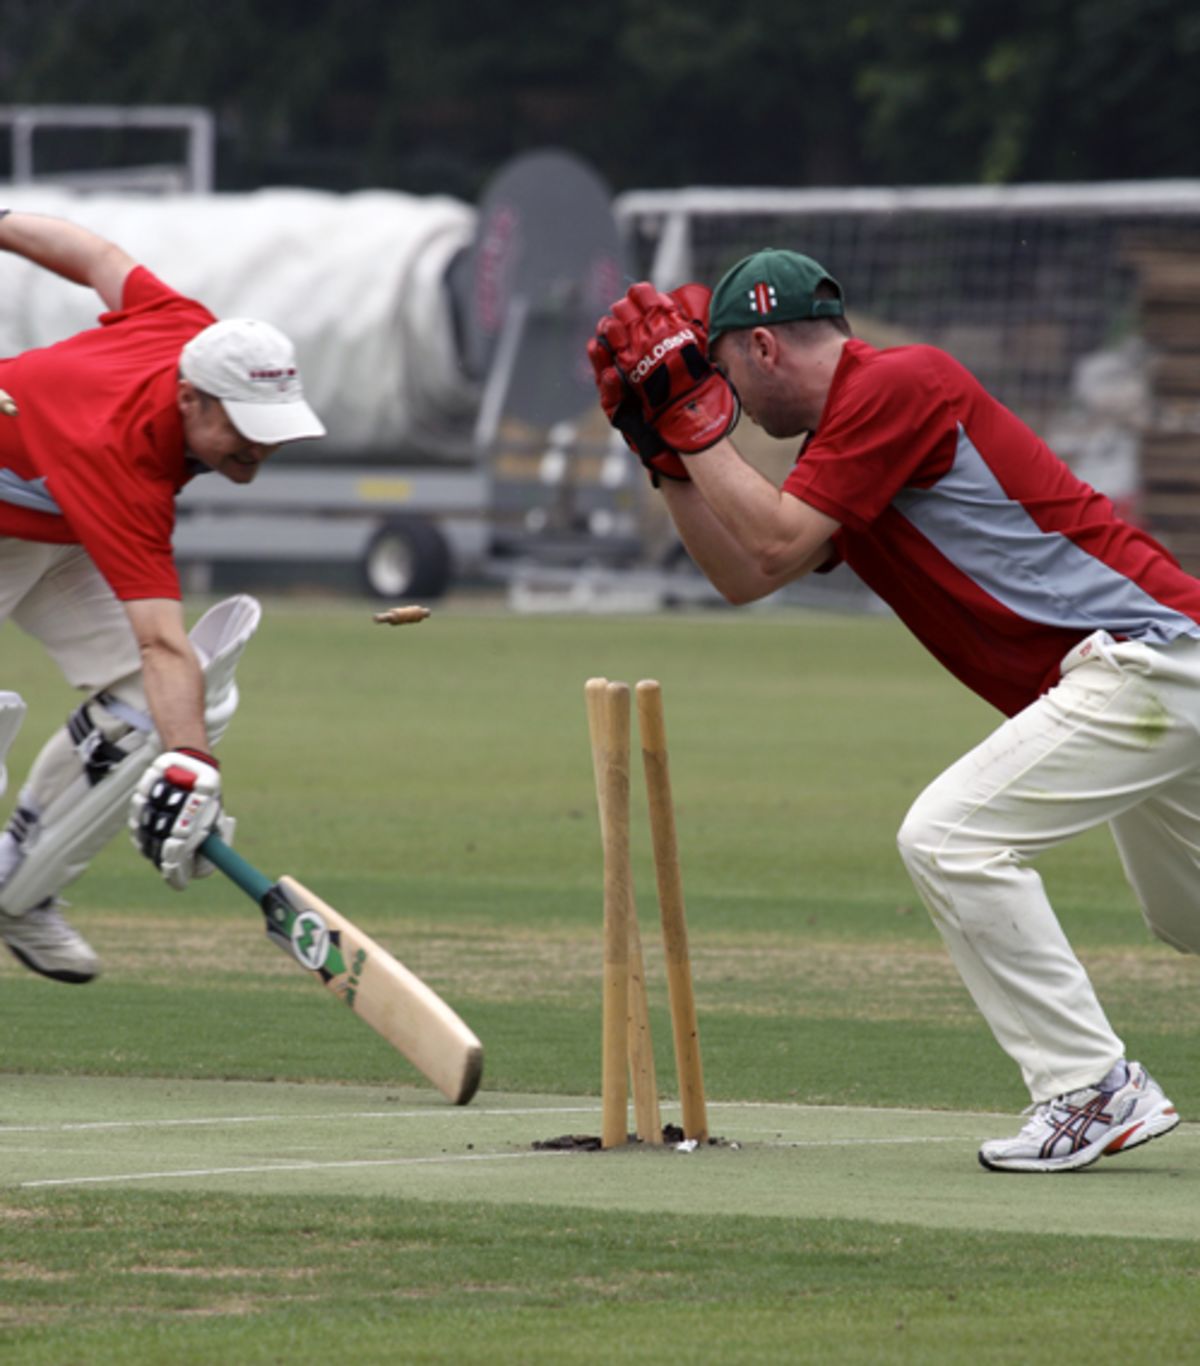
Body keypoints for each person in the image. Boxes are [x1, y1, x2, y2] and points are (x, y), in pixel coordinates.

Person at [588, 250, 1194, 1173]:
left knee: (949, 838)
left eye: (724, 374)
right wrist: (666, 453)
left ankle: (1090, 1086)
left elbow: (775, 534)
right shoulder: (846, 439)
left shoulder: (899, 384)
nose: (729, 400)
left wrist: (689, 421)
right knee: (1187, 912)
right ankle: (1091, 1087)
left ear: (761, 346)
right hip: (1153, 676)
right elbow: (748, 573)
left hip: (1144, 663)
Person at [0, 209, 325, 985]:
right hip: (50, 498)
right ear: (191, 401)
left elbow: (95, 254)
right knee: (175, 699)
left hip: (52, 522)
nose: (261, 449)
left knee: (186, 703)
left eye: (274, 428)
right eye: (244, 429)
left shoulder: (192, 331)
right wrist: (192, 770)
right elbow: (159, 642)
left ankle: (19, 887)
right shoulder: (122, 458)